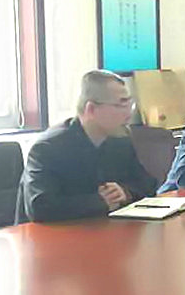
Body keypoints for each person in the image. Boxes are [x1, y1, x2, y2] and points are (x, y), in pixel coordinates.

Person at [17, 70, 157, 223]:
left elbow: (148, 185)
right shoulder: (47, 148)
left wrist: (125, 192)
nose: (129, 114)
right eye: (121, 105)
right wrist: (100, 202)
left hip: (102, 230)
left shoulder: (120, 141)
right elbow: (40, 207)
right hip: (53, 235)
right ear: (91, 109)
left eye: (130, 105)